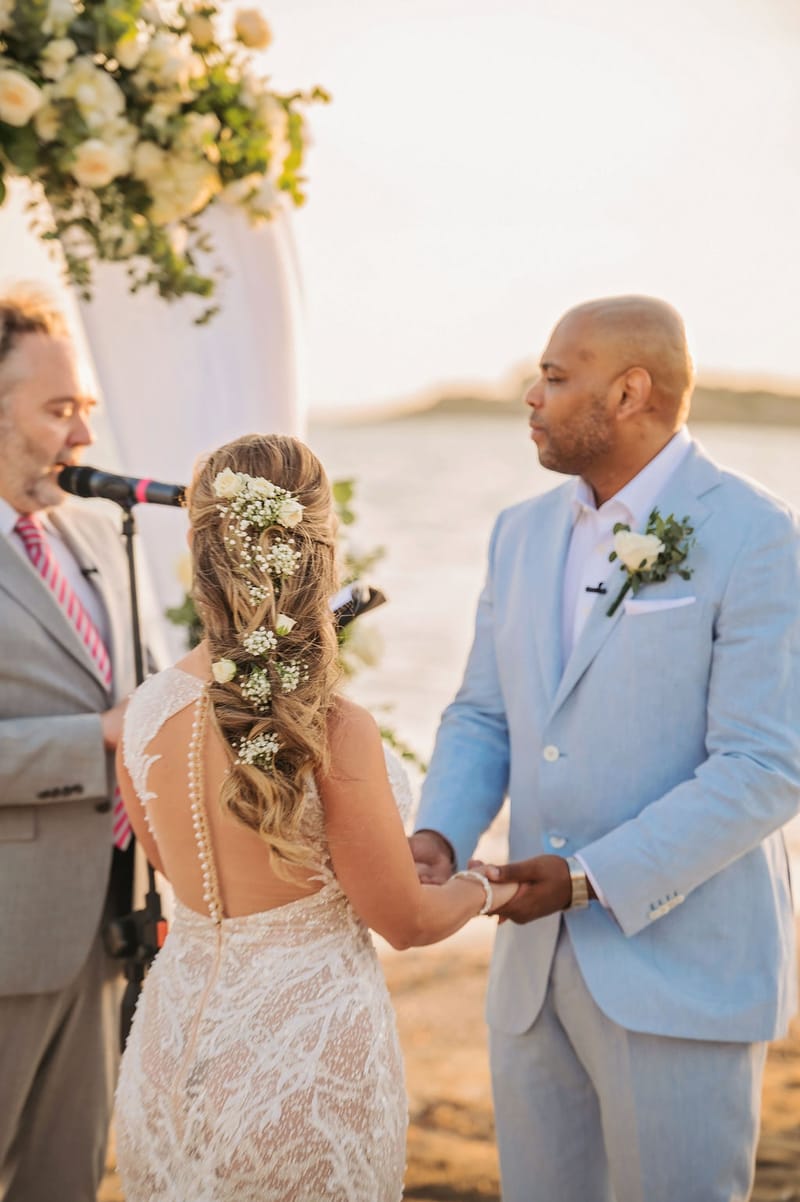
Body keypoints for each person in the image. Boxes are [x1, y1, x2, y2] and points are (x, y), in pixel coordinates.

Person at [410, 295, 800, 1202]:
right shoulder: (518, 533)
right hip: (531, 975)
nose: (531, 397)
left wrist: (588, 877)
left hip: (682, 969)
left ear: (630, 391)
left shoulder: (757, 533)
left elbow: (765, 766)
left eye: (554, 377)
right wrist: (440, 834)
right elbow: (482, 714)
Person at [114, 432, 517, 1202]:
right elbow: (407, 922)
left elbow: (178, 862)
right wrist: (486, 887)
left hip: (169, 1056)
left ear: (199, 548)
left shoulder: (145, 709)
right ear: (318, 547)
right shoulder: (329, 725)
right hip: (300, 1062)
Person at [0, 291, 143, 1202]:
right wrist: (96, 738)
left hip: (104, 931)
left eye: (86, 406)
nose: (83, 434)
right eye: (59, 410)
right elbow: (106, 725)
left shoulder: (96, 531)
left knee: (68, 1180)